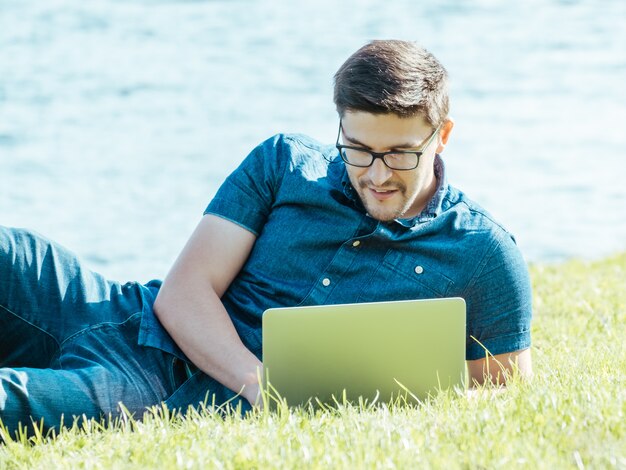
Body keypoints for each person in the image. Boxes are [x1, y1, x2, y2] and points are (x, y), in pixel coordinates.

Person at [0, 40, 532, 436]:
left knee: (18, 404)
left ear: (442, 136)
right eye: (357, 148)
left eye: (399, 154)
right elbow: (184, 292)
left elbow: (503, 392)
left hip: (149, 387)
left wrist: (290, 396)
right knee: (12, 251)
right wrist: (265, 386)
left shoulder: (483, 255)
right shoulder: (283, 163)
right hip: (113, 310)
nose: (375, 173)